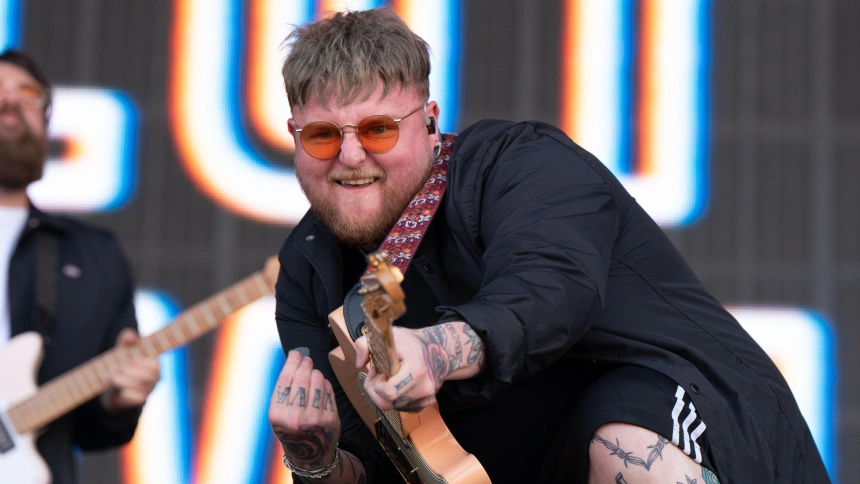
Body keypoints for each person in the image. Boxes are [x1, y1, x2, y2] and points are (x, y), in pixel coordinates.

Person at [268, 9, 830, 484]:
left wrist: (436, 351)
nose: (349, 156)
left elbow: (549, 291)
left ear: (431, 125)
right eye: (322, 136)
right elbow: (380, 468)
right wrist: (312, 458)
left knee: (625, 437)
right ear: (295, 137)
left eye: (377, 131)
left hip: (697, 422)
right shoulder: (308, 268)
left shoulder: (521, 165)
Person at [0, 49, 159, 484]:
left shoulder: (94, 254)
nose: (10, 102)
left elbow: (93, 432)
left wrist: (120, 400)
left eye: (27, 95)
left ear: (47, 121)